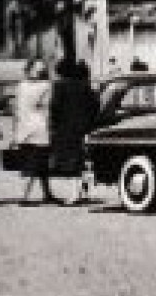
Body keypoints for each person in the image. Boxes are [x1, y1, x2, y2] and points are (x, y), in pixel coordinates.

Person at [49, 58, 100, 206]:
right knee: (82, 161)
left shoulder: (59, 86)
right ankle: (82, 192)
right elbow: (95, 106)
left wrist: (55, 125)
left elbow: (55, 108)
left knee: (71, 165)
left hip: (65, 129)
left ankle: (73, 195)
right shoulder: (86, 87)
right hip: (84, 128)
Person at [11, 57, 56, 205]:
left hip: (24, 128)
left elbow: (16, 110)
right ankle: (25, 197)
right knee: (35, 162)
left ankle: (47, 193)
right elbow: (47, 108)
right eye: (39, 69)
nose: (40, 71)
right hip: (39, 127)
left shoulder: (21, 86)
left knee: (37, 163)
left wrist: (15, 132)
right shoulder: (46, 86)